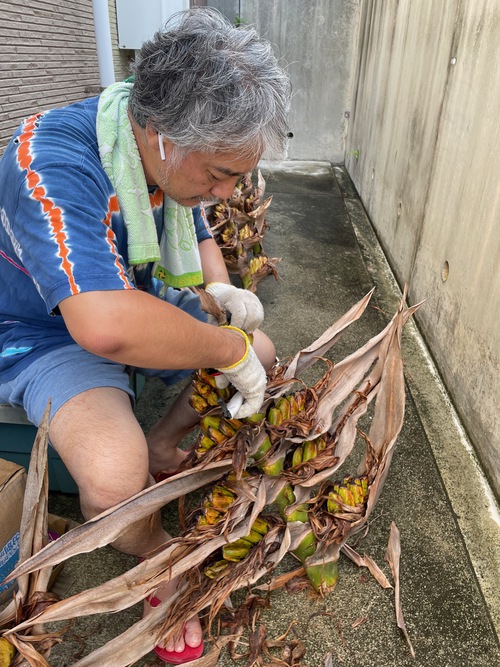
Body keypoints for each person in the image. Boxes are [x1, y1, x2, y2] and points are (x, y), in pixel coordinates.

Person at [0, 6, 291, 663]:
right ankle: (157, 553)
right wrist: (225, 347)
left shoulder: (155, 143)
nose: (226, 188)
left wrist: (220, 288)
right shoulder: (50, 160)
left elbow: (199, 216)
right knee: (111, 473)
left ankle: (164, 444)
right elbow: (103, 323)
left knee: (263, 354)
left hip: (127, 294)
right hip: (37, 327)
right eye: (219, 172)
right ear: (162, 137)